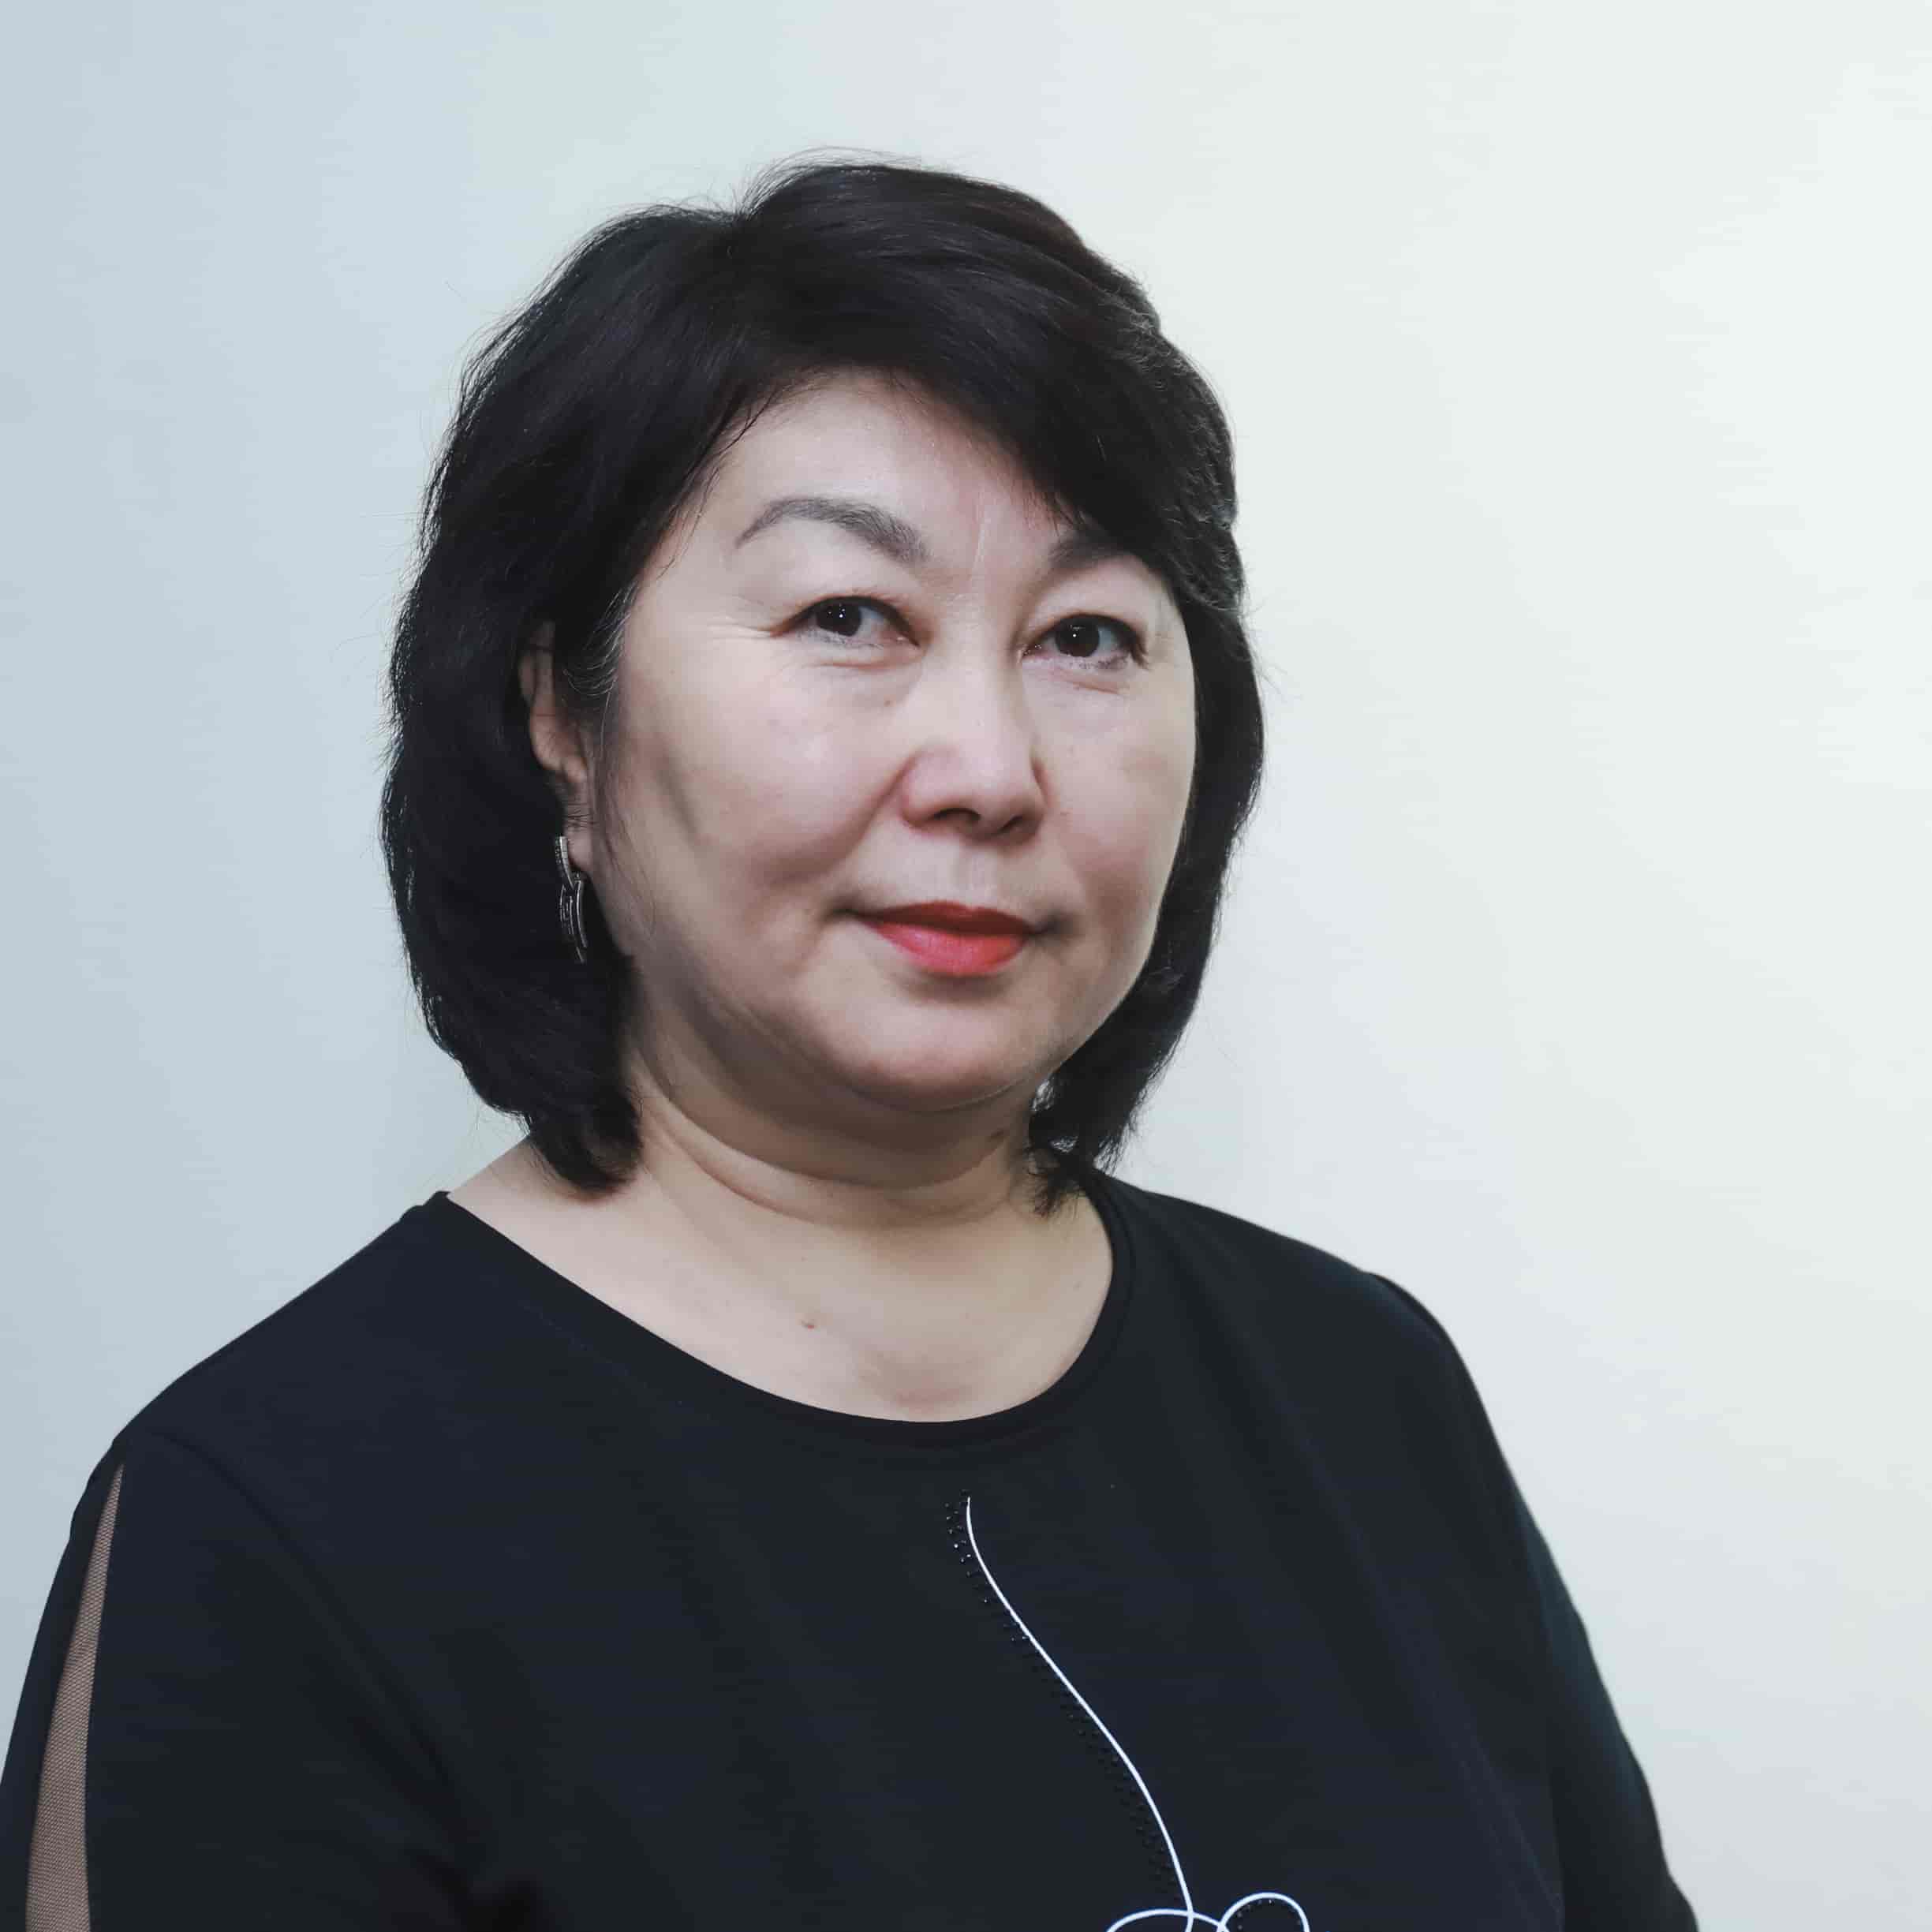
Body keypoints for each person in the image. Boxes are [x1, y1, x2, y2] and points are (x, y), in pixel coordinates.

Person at [0, 154, 1698, 1930]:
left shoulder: (1358, 1387)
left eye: (1087, 637)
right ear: (563, 711)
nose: (987, 769)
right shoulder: (282, 1517)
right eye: (847, 618)